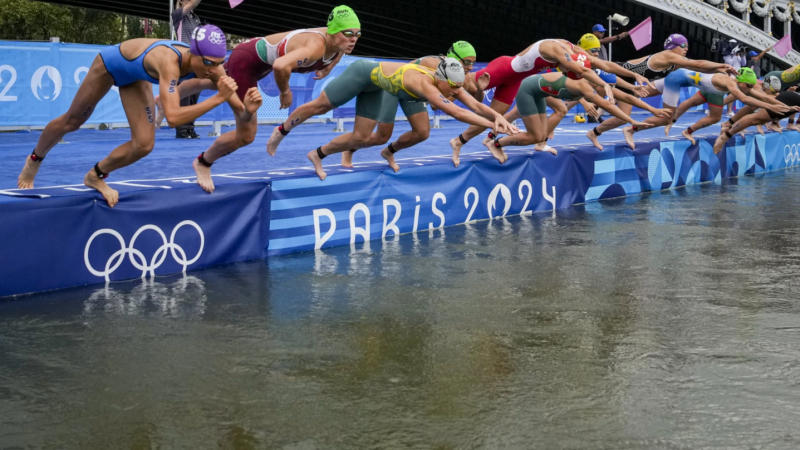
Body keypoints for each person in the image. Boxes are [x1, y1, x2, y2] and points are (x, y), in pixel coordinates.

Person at [16, 24, 237, 207]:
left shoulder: (213, 65)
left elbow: (234, 97)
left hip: (135, 77)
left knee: (144, 144)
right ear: (193, 52)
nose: (214, 69)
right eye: (208, 63)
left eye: (219, 63)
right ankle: (35, 159)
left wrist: (247, 112)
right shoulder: (169, 62)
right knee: (73, 121)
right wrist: (218, 98)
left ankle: (95, 176)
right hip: (110, 65)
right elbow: (173, 118)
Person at [174, 5, 360, 192]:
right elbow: (280, 66)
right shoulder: (315, 47)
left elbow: (334, 57)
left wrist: (327, 69)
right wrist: (285, 91)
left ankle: (170, 95)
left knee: (214, 83)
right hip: (247, 62)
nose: (353, 39)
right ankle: (203, 163)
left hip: (257, 60)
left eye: (358, 34)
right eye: (348, 33)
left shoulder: (340, 45)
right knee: (246, 135)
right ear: (333, 31)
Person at [266, 57, 519, 180]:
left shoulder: (450, 80)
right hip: (363, 73)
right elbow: (456, 112)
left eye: (457, 88)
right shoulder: (423, 83)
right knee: (320, 106)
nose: (455, 93)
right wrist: (491, 124)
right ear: (440, 79)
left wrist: (500, 119)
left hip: (380, 88)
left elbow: (474, 104)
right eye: (452, 89)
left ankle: (318, 154)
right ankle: (282, 130)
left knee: (363, 137)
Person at [449, 38, 650, 165]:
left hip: (516, 81)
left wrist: (634, 78)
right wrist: (604, 85)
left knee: (494, 117)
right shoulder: (555, 49)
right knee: (466, 84)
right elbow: (582, 71)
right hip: (504, 68)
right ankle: (439, 89)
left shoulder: (575, 52)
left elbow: (605, 65)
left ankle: (459, 142)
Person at [340, 41, 485, 168]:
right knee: (381, 137)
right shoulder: (433, 65)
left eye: (473, 62)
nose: (471, 67)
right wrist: (456, 93)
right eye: (467, 62)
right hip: (394, 87)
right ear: (454, 59)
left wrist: (480, 89)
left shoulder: (461, 75)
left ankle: (388, 152)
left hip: (414, 95)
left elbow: (477, 99)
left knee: (422, 133)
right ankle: (349, 148)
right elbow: (436, 106)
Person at [586, 33, 737, 150]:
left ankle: (595, 132)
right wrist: (720, 65)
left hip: (635, 83)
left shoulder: (675, 63)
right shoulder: (667, 55)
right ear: (673, 46)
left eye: (687, 46)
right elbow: (697, 63)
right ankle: (613, 123)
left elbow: (698, 67)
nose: (686, 49)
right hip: (620, 74)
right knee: (581, 88)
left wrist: (718, 69)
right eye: (683, 45)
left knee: (632, 117)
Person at [622, 67, 792, 148]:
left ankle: (598, 127)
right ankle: (632, 129)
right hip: (676, 80)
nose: (749, 88)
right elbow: (747, 98)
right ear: (741, 82)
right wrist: (774, 108)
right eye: (748, 86)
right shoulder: (730, 84)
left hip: (679, 75)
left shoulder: (741, 83)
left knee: (636, 94)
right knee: (666, 115)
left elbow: (759, 95)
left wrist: (782, 105)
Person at [487, 71, 650, 156]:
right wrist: (631, 121)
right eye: (607, 86)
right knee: (533, 132)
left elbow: (624, 97)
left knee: (559, 111)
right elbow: (609, 107)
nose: (608, 90)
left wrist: (652, 110)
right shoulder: (585, 87)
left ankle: (494, 137)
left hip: (541, 91)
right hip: (529, 90)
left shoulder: (591, 83)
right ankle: (494, 143)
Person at [713, 89, 800, 153]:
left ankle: (729, 125)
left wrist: (790, 121)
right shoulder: (743, 85)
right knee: (755, 119)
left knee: (756, 114)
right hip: (788, 98)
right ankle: (727, 134)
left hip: (790, 98)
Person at [171, 0, 203, 138]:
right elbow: (192, 4)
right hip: (183, 58)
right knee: (184, 95)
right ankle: (182, 129)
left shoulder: (196, 18)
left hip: (196, 58)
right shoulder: (178, 15)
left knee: (195, 93)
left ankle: (190, 127)